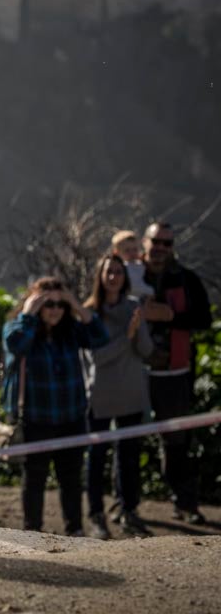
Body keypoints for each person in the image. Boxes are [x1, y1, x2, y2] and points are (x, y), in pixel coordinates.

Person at [2, 277, 109, 535]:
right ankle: (33, 533)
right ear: (36, 303)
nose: (55, 310)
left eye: (60, 305)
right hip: (36, 420)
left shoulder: (71, 330)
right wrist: (28, 314)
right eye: (48, 304)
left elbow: (100, 336)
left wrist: (76, 305)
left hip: (71, 418)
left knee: (71, 479)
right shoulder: (18, 327)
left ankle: (75, 531)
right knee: (34, 480)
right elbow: (16, 345)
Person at [140, 222, 212, 525]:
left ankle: (185, 502)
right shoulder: (127, 274)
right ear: (145, 242)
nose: (160, 248)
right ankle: (125, 505)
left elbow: (204, 319)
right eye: (156, 241)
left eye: (166, 244)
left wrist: (170, 316)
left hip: (175, 372)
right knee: (125, 439)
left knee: (177, 440)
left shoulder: (186, 278)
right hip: (132, 372)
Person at [82, 253, 154, 538]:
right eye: (108, 272)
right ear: (100, 277)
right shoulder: (89, 313)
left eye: (118, 272)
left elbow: (146, 351)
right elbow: (98, 357)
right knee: (96, 457)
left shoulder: (133, 307)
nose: (113, 277)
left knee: (129, 457)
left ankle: (129, 510)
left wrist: (139, 328)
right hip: (100, 396)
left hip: (131, 393)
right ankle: (96, 514)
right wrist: (127, 335)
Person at [112, 229, 153, 298]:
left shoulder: (142, 264)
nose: (132, 253)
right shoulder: (123, 268)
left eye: (135, 249)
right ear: (116, 253)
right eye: (127, 250)